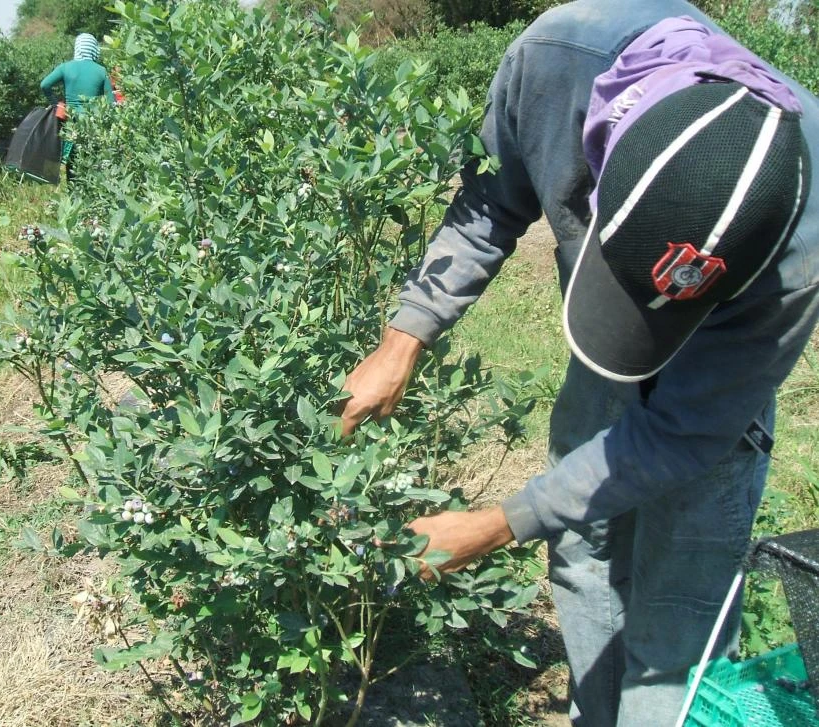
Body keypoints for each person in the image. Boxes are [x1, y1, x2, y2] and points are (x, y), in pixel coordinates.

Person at [339, 1, 819, 725]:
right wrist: (402, 337)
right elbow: (488, 205)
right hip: (603, 351)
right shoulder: (555, 63)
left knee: (675, 637)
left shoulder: (807, 225)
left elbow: (684, 433)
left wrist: (501, 521)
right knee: (583, 557)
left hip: (712, 381)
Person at [40, 33, 116, 181]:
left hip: (72, 123)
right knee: (94, 162)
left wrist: (56, 104)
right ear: (94, 49)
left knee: (73, 162)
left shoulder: (66, 67)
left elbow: (45, 85)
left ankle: (75, 198)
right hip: (94, 124)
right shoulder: (101, 71)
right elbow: (111, 102)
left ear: (77, 48)